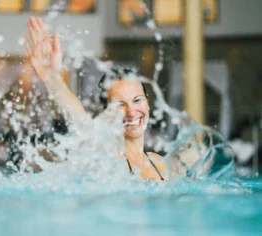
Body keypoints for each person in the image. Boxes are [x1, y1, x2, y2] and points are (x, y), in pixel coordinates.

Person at [24, 17, 166, 181]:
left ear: (148, 104)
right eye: (120, 104)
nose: (131, 111)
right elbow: (80, 120)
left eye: (137, 100)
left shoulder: (158, 163)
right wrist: (52, 78)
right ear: (106, 112)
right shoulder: (106, 158)